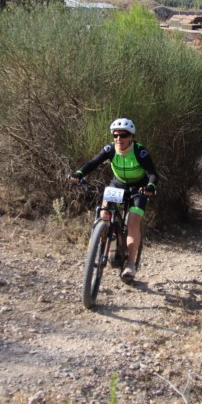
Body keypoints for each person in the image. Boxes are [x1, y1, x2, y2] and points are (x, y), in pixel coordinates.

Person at [69, 118, 158, 284]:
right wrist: (79, 174)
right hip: (118, 185)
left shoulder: (139, 151)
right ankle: (106, 244)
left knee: (132, 222)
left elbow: (152, 173)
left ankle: (130, 264)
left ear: (131, 137)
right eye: (115, 135)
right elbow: (93, 162)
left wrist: (150, 186)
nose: (118, 139)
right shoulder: (110, 149)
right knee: (104, 214)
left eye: (123, 135)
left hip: (139, 188)